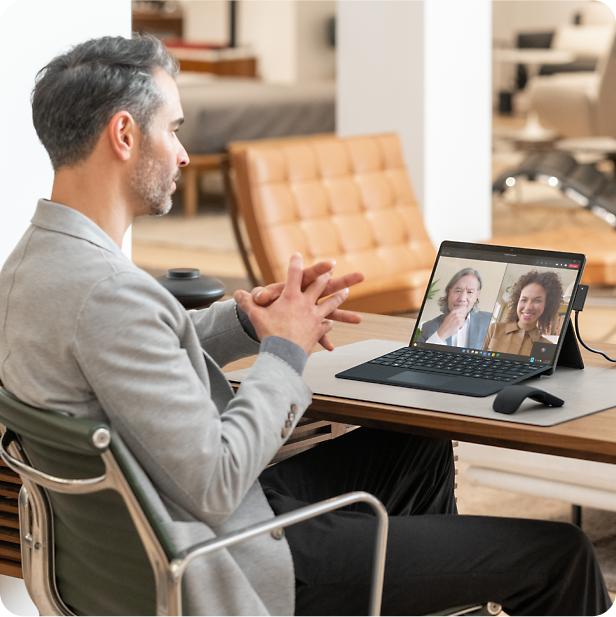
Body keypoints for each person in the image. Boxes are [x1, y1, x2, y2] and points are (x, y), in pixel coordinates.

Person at [0, 35, 611, 617]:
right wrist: (285, 348)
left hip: (164, 538)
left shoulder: (35, 266)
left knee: (414, 448)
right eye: (175, 129)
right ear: (125, 134)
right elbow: (216, 479)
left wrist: (246, 320)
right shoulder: (112, 295)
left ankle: (415, 588)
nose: (184, 152)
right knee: (559, 556)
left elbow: (140, 348)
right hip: (232, 560)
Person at [483, 270, 563, 356]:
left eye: (537, 300)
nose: (528, 307)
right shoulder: (494, 329)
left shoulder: (547, 347)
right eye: (524, 300)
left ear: (546, 305)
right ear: (517, 301)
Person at [416, 268, 492, 349]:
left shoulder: (489, 321)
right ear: (449, 293)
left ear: (476, 296)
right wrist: (440, 335)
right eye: (458, 291)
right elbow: (415, 358)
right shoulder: (428, 327)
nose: (462, 298)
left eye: (470, 292)